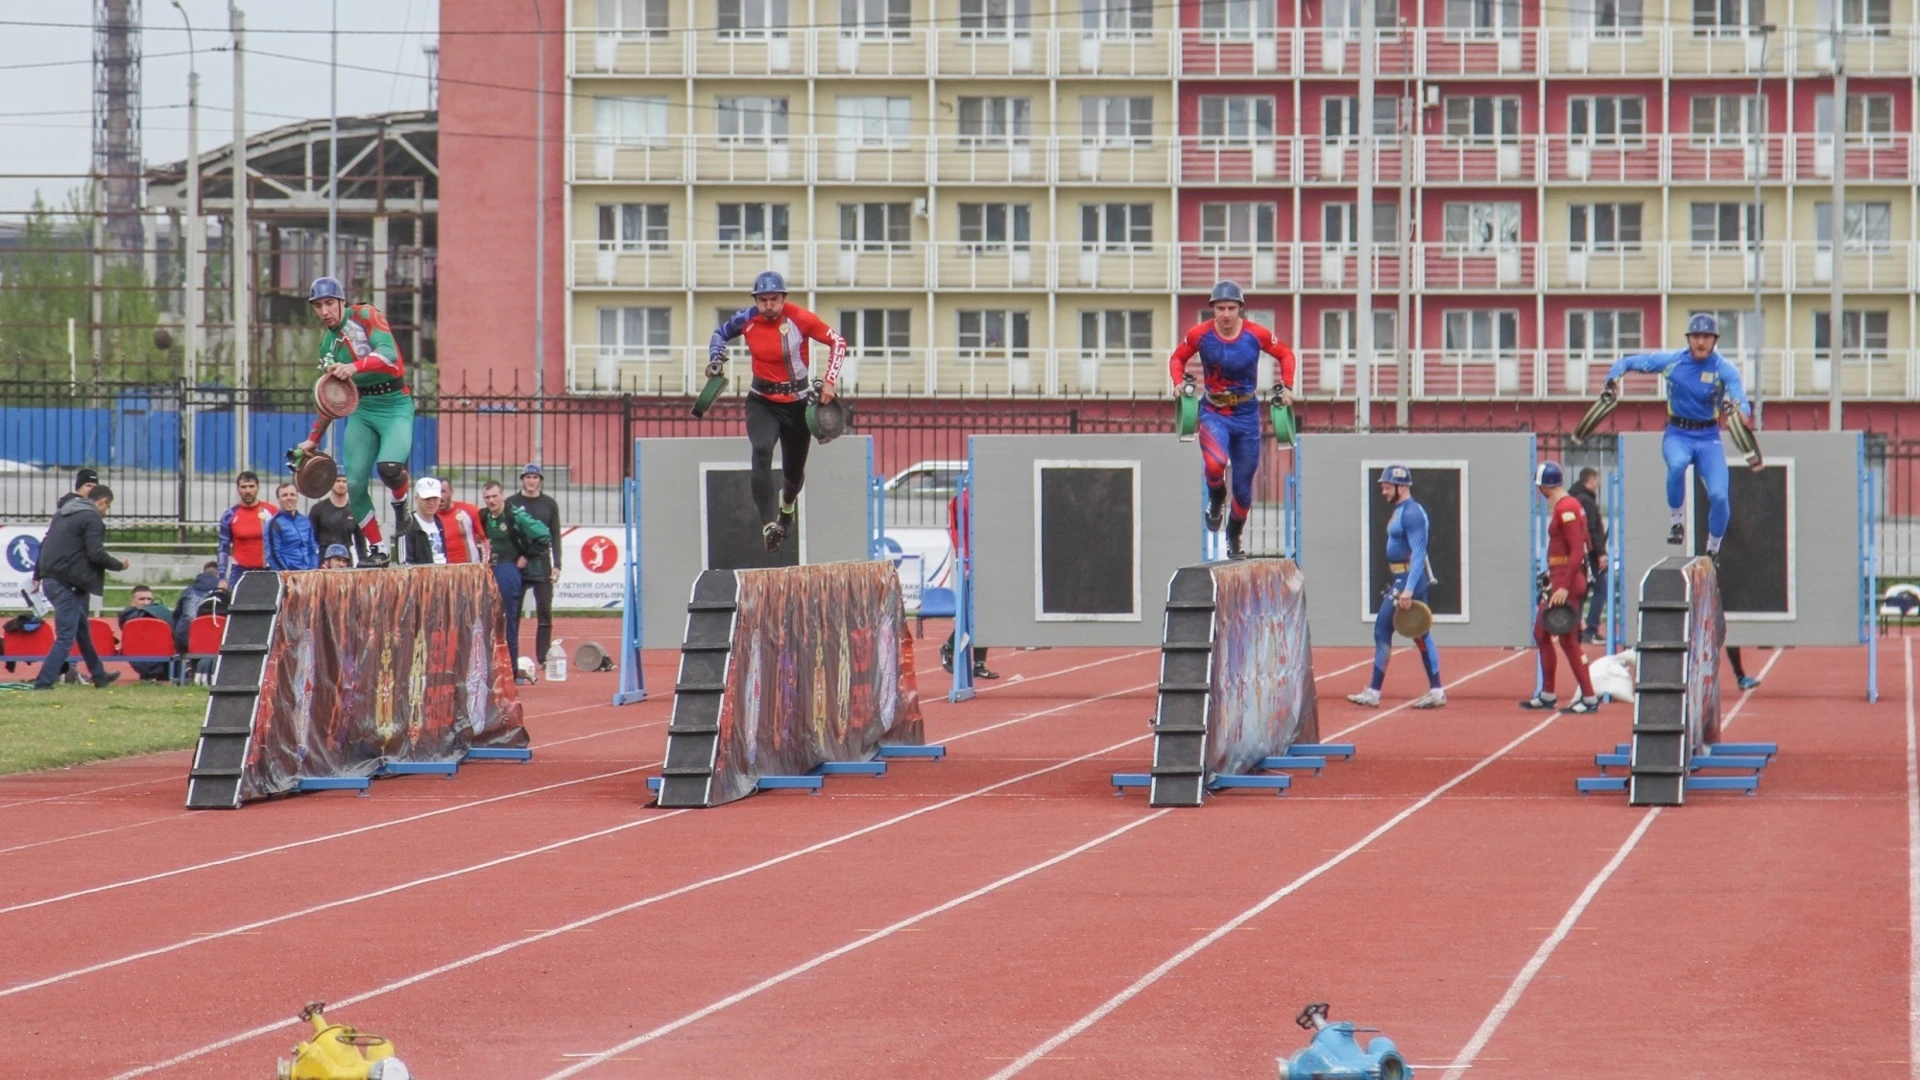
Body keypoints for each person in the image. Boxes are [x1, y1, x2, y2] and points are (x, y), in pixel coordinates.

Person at [706, 270, 849, 552]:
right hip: (762, 402)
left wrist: (830, 381)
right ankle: (768, 525)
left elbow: (838, 343)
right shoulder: (747, 319)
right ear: (755, 300)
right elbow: (719, 334)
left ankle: (787, 506)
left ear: (784, 298)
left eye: (774, 299)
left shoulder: (800, 318)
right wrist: (715, 358)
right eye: (763, 300)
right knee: (761, 450)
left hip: (798, 406)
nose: (768, 305)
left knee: (794, 476)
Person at [1603, 313, 1759, 554]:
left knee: (1718, 496)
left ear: (1715, 340)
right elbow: (1626, 363)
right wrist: (1612, 381)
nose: (1701, 342)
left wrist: (1741, 412)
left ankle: (1713, 550)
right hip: (1678, 435)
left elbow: (1741, 399)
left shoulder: (1724, 369)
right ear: (1688, 339)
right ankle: (1677, 521)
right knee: (1677, 465)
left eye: (1707, 337)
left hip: (1708, 438)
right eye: (1696, 336)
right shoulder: (1672, 361)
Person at [1167, 281, 1298, 559]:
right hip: (1213, 411)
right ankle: (1216, 497)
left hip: (1247, 414)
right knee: (1214, 463)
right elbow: (1177, 358)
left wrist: (1287, 386)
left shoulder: (1255, 333)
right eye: (1220, 308)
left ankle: (1234, 535)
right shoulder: (1200, 334)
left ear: (1240, 309)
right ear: (1212, 309)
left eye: (1231, 308)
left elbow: (1286, 354)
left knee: (1243, 489)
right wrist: (1177, 383)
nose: (1226, 314)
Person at [294, 276, 418, 567]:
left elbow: (390, 357)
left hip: (395, 403)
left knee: (389, 468)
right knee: (356, 483)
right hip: (362, 408)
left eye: (329, 303)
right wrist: (314, 438)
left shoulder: (365, 315)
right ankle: (377, 549)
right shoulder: (327, 346)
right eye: (318, 306)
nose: (324, 311)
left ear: (341, 301)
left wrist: (353, 366)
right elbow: (332, 398)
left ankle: (401, 504)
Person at [1347, 465, 1445, 709]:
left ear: (1402, 487)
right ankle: (1436, 690)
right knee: (1421, 636)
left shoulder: (1411, 513)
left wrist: (1409, 589)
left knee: (1382, 629)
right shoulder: (1402, 510)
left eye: (1388, 487)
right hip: (1402, 578)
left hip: (1407, 580)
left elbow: (1419, 551)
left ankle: (1374, 692)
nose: (1384, 491)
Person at [1520, 462, 1601, 713]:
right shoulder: (1571, 506)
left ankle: (1588, 696)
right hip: (1562, 578)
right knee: (1543, 634)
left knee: (1567, 641)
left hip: (1566, 580)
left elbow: (1577, 549)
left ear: (1545, 487)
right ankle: (1548, 693)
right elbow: (1585, 542)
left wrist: (1563, 586)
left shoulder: (1566, 508)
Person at [32, 484, 126, 690]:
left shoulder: (64, 513)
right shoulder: (92, 518)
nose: (105, 512)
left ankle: (99, 676)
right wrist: (118, 565)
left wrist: (37, 574)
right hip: (67, 584)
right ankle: (43, 682)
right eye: (106, 507)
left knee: (82, 631)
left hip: (51, 579)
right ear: (103, 502)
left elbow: (45, 544)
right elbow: (95, 553)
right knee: (66, 637)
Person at [480, 479, 553, 683]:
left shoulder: (515, 516)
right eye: (487, 497)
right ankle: (489, 670)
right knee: (487, 620)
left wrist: (527, 556)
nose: (491, 501)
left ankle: (510, 672)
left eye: (495, 496)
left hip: (508, 568)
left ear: (502, 495)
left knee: (508, 620)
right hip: (488, 569)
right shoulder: (483, 516)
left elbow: (544, 535)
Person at [507, 463, 564, 666]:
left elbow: (555, 534)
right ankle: (510, 656)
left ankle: (543, 656)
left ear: (540, 480)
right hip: (519, 563)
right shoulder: (511, 502)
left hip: (542, 563)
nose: (531, 481)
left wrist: (557, 564)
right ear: (522, 479)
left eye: (535, 477)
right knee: (512, 613)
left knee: (545, 611)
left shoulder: (549, 504)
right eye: (528, 477)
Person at [939, 487, 996, 680]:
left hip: (982, 561)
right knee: (975, 613)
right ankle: (949, 647)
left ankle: (979, 663)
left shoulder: (975, 496)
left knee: (983, 614)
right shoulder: (964, 499)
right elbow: (960, 532)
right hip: (972, 562)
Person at [398, 477, 482, 565]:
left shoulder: (438, 522)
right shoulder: (407, 525)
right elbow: (404, 564)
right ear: (416, 499)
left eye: (435, 498)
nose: (431, 502)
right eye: (426, 498)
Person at [216, 471, 277, 587]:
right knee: (238, 605)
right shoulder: (229, 515)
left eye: (251, 486)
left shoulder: (272, 512)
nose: (247, 491)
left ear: (258, 488)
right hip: (240, 571)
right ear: (238, 489)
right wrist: (222, 578)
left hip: (268, 570)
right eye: (243, 487)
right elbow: (223, 548)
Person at [1571, 466, 1610, 644]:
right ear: (1590, 481)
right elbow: (1593, 529)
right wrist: (1601, 553)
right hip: (1591, 551)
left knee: (1581, 590)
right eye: (1596, 481)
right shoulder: (1585, 501)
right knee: (1601, 587)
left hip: (1581, 551)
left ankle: (1577, 629)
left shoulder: (1575, 498)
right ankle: (1591, 629)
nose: (1598, 485)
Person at [117, 584, 174, 682]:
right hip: (137, 650)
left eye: (149, 599)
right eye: (141, 599)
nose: (146, 603)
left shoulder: (158, 612)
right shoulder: (128, 616)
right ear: (132, 601)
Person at [308, 475, 367, 565]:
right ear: (331, 483)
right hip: (324, 559)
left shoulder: (355, 511)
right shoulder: (318, 509)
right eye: (338, 481)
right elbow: (310, 539)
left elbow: (360, 542)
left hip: (346, 559)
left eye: (344, 481)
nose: (341, 484)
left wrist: (364, 563)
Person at [264, 482, 320, 571]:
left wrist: (312, 569)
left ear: (297, 497)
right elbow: (273, 555)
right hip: (286, 574)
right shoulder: (274, 524)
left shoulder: (305, 521)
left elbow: (312, 549)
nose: (289, 498)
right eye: (284, 495)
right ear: (278, 499)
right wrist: (286, 574)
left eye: (292, 495)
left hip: (306, 574)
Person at [172, 560, 224, 652]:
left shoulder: (188, 591)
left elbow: (176, 616)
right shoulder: (222, 594)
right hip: (213, 640)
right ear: (218, 575)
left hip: (185, 639)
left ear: (203, 572)